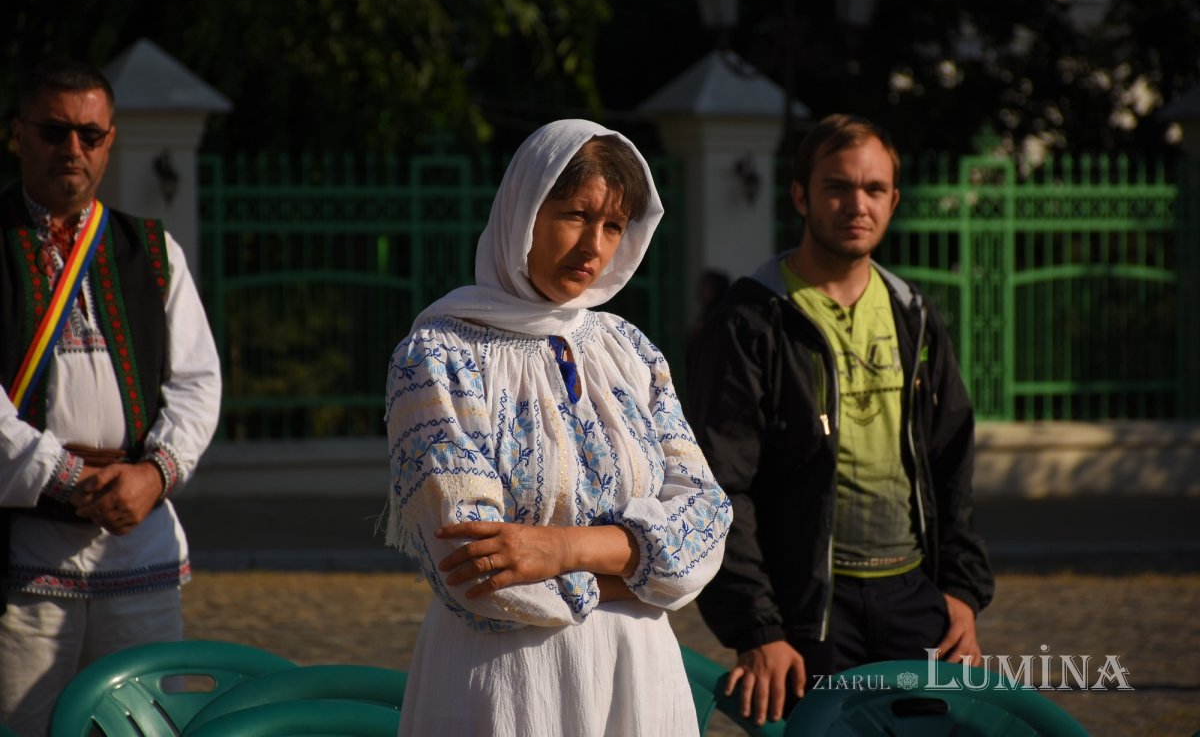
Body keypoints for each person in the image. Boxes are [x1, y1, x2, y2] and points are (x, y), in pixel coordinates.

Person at [384, 119, 732, 735]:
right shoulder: (438, 355)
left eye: (613, 226)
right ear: (523, 212)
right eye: (575, 214)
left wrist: (557, 549)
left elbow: (707, 521)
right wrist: (647, 571)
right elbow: (475, 570)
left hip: (639, 680)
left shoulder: (631, 352)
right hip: (508, 687)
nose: (594, 246)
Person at [686, 114, 994, 726]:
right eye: (837, 187)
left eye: (874, 189)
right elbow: (720, 485)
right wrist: (759, 629)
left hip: (913, 600)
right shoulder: (753, 321)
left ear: (894, 200)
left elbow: (951, 463)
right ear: (800, 195)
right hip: (809, 615)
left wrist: (959, 593)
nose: (858, 204)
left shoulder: (914, 315)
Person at [0, 58, 221, 735]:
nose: (73, 149)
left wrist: (154, 475)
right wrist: (65, 476)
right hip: (25, 550)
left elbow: (197, 382)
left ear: (111, 140)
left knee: (144, 726)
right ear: (17, 135)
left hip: (138, 541)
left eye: (90, 135)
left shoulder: (151, 251)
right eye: (54, 131)